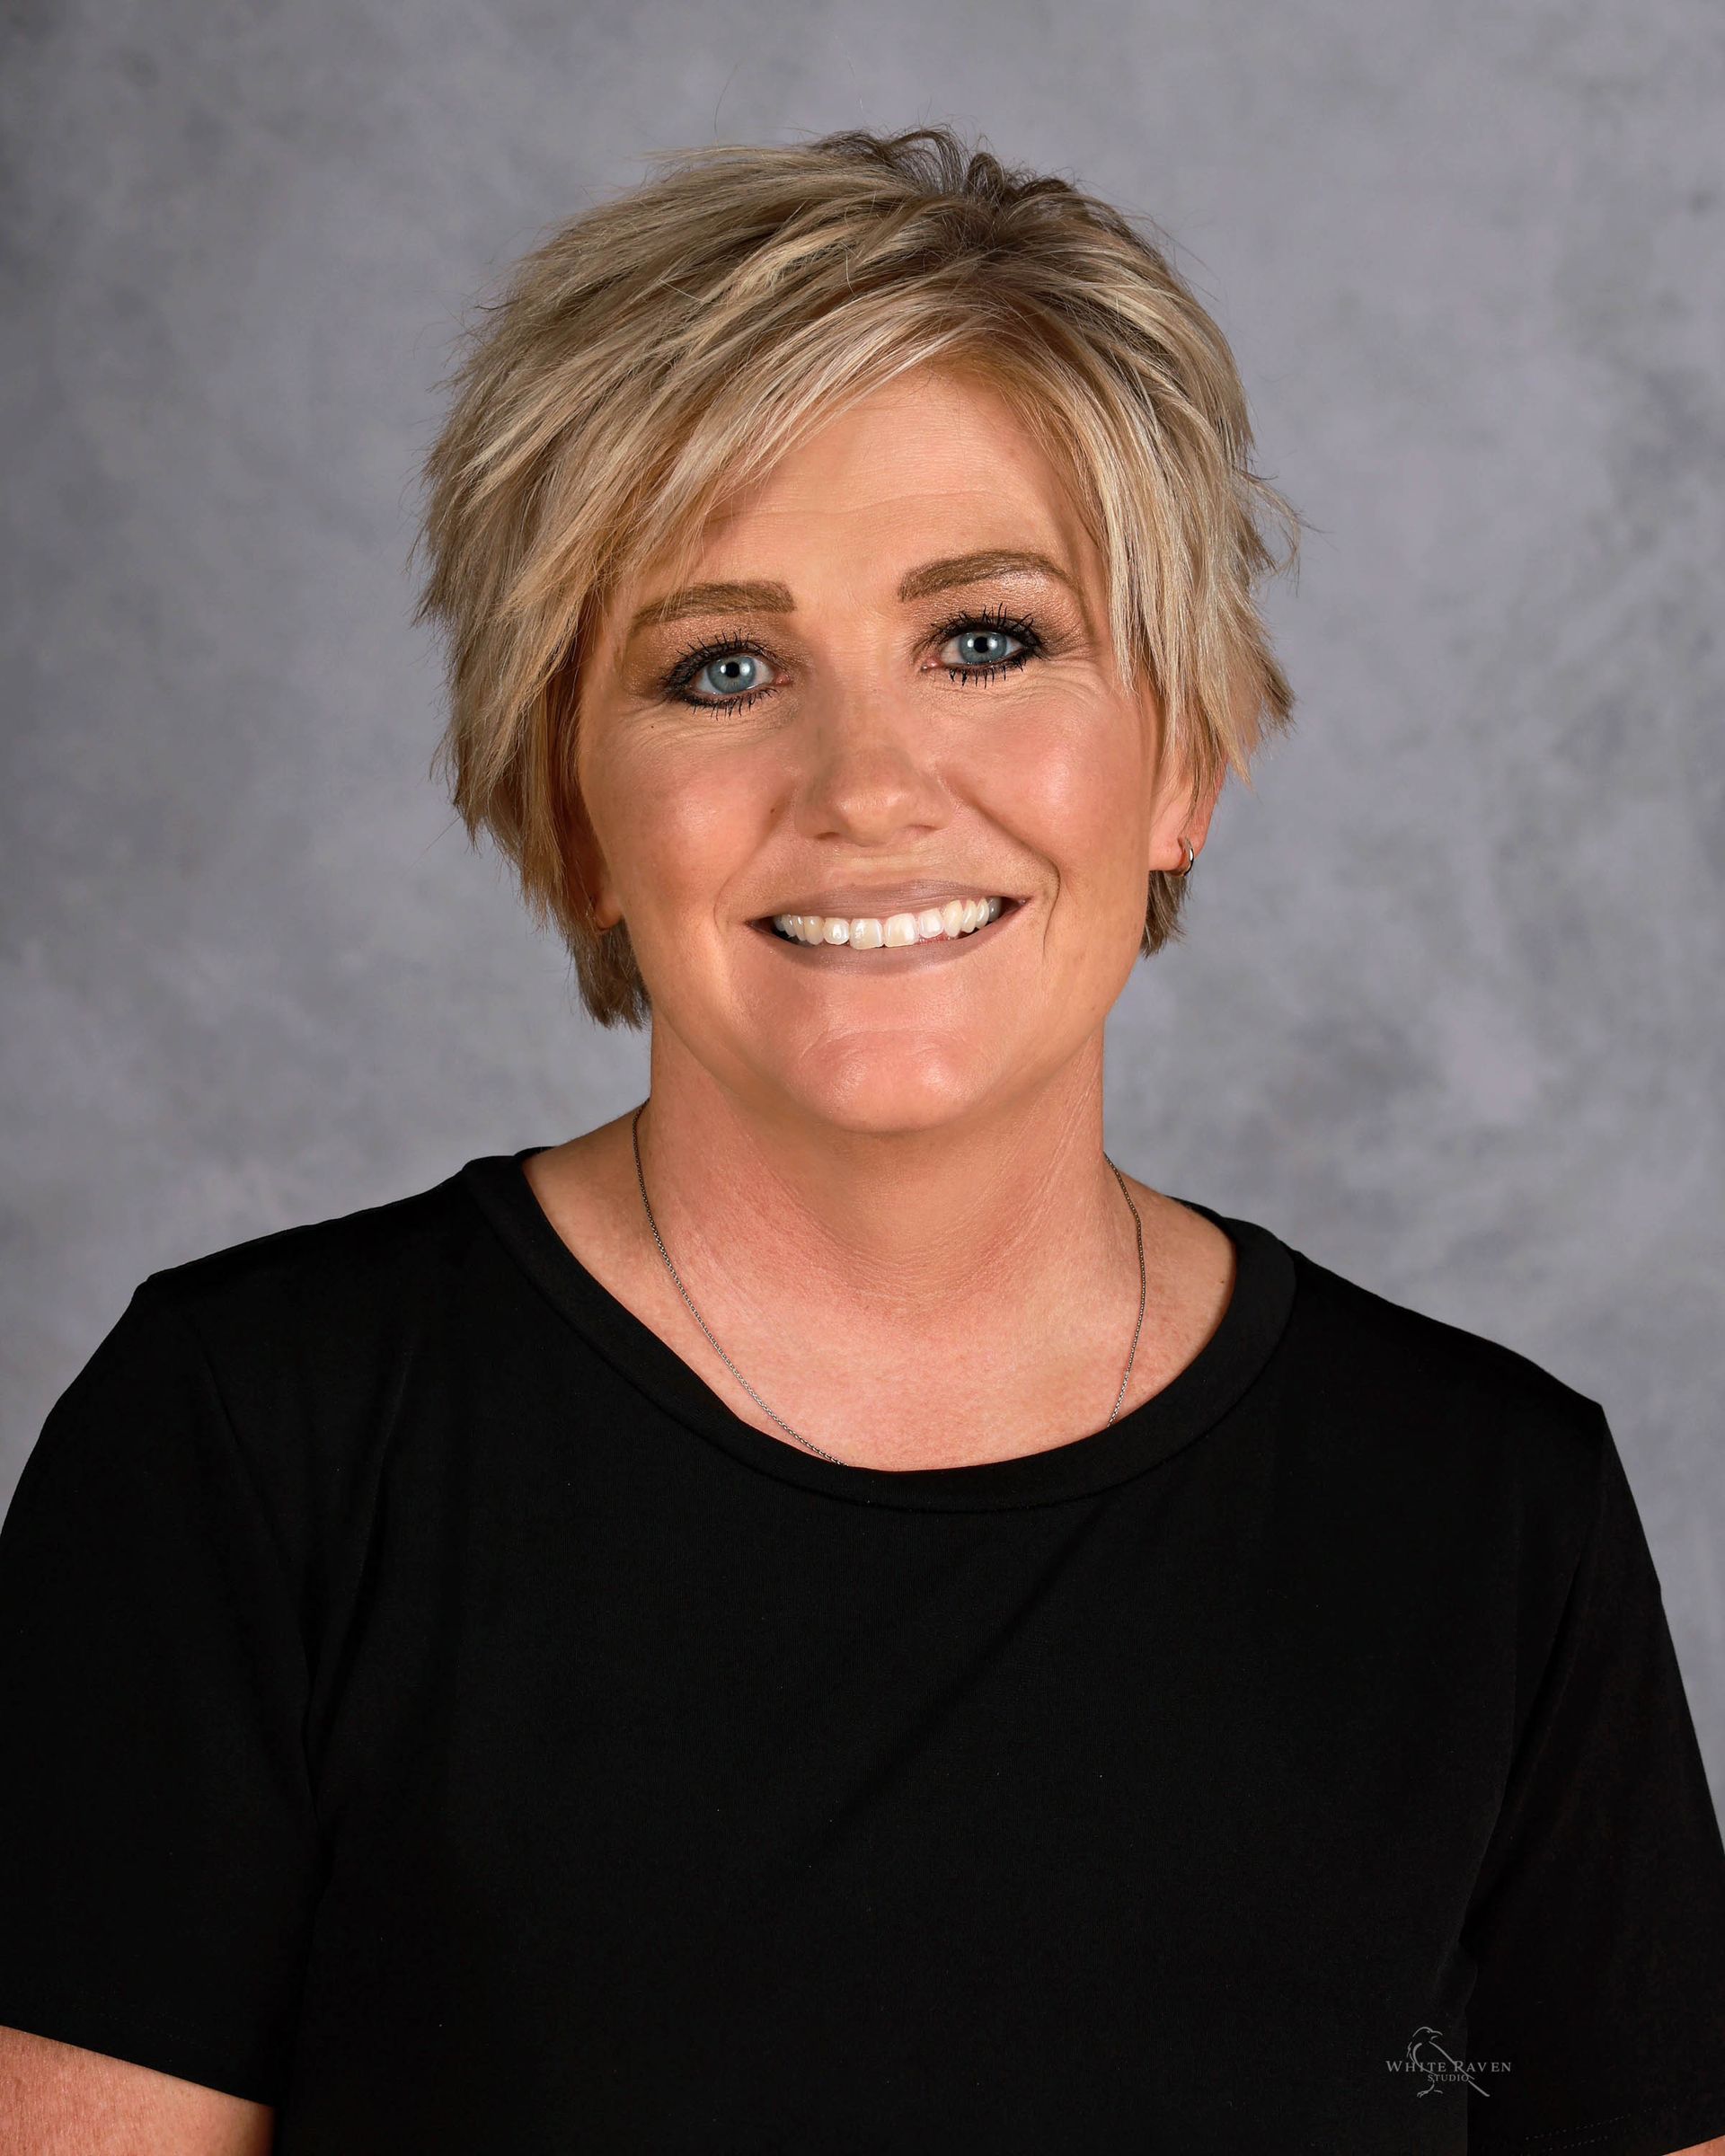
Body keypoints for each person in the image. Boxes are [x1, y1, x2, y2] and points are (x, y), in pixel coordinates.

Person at [1, 124, 1722, 2156]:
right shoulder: (248, 1452)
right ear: (572, 812)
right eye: (721, 668)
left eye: (986, 638)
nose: (869, 786)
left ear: (1185, 752)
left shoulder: (1487, 1514)